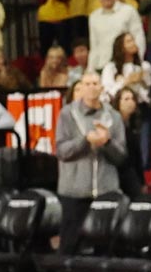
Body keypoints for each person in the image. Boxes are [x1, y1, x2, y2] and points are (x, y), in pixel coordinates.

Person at [56, 72, 127, 253]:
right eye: (87, 84)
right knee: (69, 247)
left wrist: (107, 142)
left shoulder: (114, 116)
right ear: (80, 87)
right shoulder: (67, 114)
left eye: (95, 83)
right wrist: (85, 140)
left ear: (102, 88)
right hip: (74, 191)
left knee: (106, 248)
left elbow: (121, 157)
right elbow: (62, 151)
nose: (91, 88)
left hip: (106, 190)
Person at [87, 0, 145, 72]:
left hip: (124, 66)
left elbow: (139, 38)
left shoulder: (129, 11)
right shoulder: (94, 17)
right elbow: (94, 46)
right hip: (102, 65)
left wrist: (138, 61)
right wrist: (90, 69)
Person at [101, 32, 151, 108]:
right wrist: (126, 81)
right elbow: (108, 92)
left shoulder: (144, 66)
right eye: (129, 41)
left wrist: (141, 79)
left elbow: (149, 88)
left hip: (141, 105)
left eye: (133, 40)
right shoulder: (110, 67)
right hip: (117, 106)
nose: (133, 43)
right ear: (121, 47)